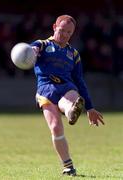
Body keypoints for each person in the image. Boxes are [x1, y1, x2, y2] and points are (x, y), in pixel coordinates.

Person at [29, 14, 104, 176]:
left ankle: (71, 111)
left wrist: (90, 107)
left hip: (66, 87)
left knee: (70, 97)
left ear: (73, 33)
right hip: (45, 90)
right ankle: (68, 166)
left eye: (69, 33)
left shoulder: (74, 54)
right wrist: (31, 52)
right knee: (55, 128)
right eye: (62, 31)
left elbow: (80, 81)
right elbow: (30, 50)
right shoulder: (42, 45)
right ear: (55, 27)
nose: (65, 35)